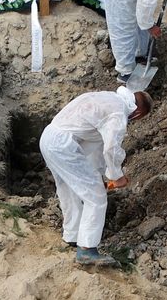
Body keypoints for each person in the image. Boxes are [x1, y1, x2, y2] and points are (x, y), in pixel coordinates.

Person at [40, 86, 153, 266]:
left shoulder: (107, 97)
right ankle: (86, 250)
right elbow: (111, 148)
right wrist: (116, 176)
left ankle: (72, 235)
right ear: (138, 113)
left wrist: (100, 175)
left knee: (68, 190)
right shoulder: (118, 114)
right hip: (64, 145)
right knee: (96, 196)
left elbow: (97, 147)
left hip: (49, 138)